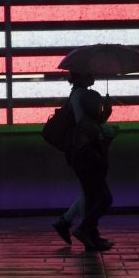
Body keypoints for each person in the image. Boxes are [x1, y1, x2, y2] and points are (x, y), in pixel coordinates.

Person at [52, 72, 115, 251]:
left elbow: (87, 123)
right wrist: (102, 129)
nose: (92, 74)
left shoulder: (82, 95)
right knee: (95, 196)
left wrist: (105, 114)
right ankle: (85, 231)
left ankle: (79, 229)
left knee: (89, 194)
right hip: (85, 151)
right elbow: (83, 123)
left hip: (83, 150)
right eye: (88, 72)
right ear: (80, 76)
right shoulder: (81, 95)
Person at [66, 88, 117, 252]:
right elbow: (95, 147)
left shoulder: (88, 123)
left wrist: (107, 113)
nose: (100, 106)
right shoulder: (89, 126)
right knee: (104, 199)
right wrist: (109, 137)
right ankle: (84, 230)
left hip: (88, 168)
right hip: (92, 168)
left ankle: (92, 237)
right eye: (99, 104)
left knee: (93, 200)